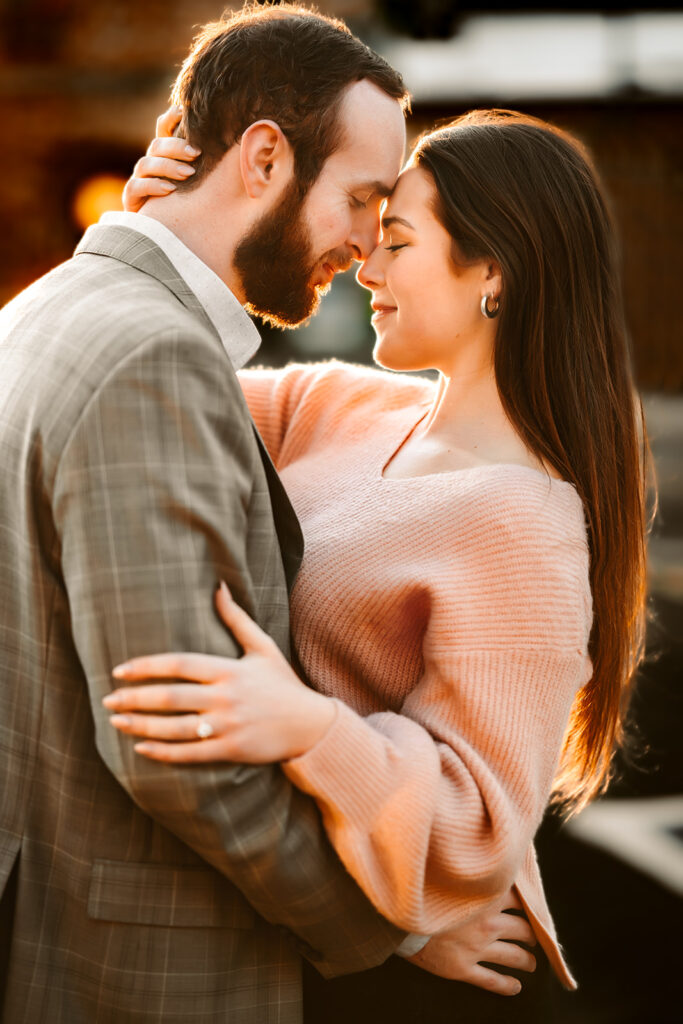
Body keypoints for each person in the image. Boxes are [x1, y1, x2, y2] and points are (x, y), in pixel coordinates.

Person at [108, 106, 650, 1023]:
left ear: (492, 273)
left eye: (396, 241)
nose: (366, 267)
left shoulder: (524, 525)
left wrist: (308, 728)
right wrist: (157, 237)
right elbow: (138, 383)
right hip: (294, 935)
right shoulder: (342, 403)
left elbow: (477, 830)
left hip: (384, 991)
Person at [0, 5, 439, 1021]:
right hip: (139, 967)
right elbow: (181, 752)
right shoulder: (150, 358)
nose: (369, 245)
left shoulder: (45, 309)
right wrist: (388, 923)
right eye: (362, 199)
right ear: (263, 157)